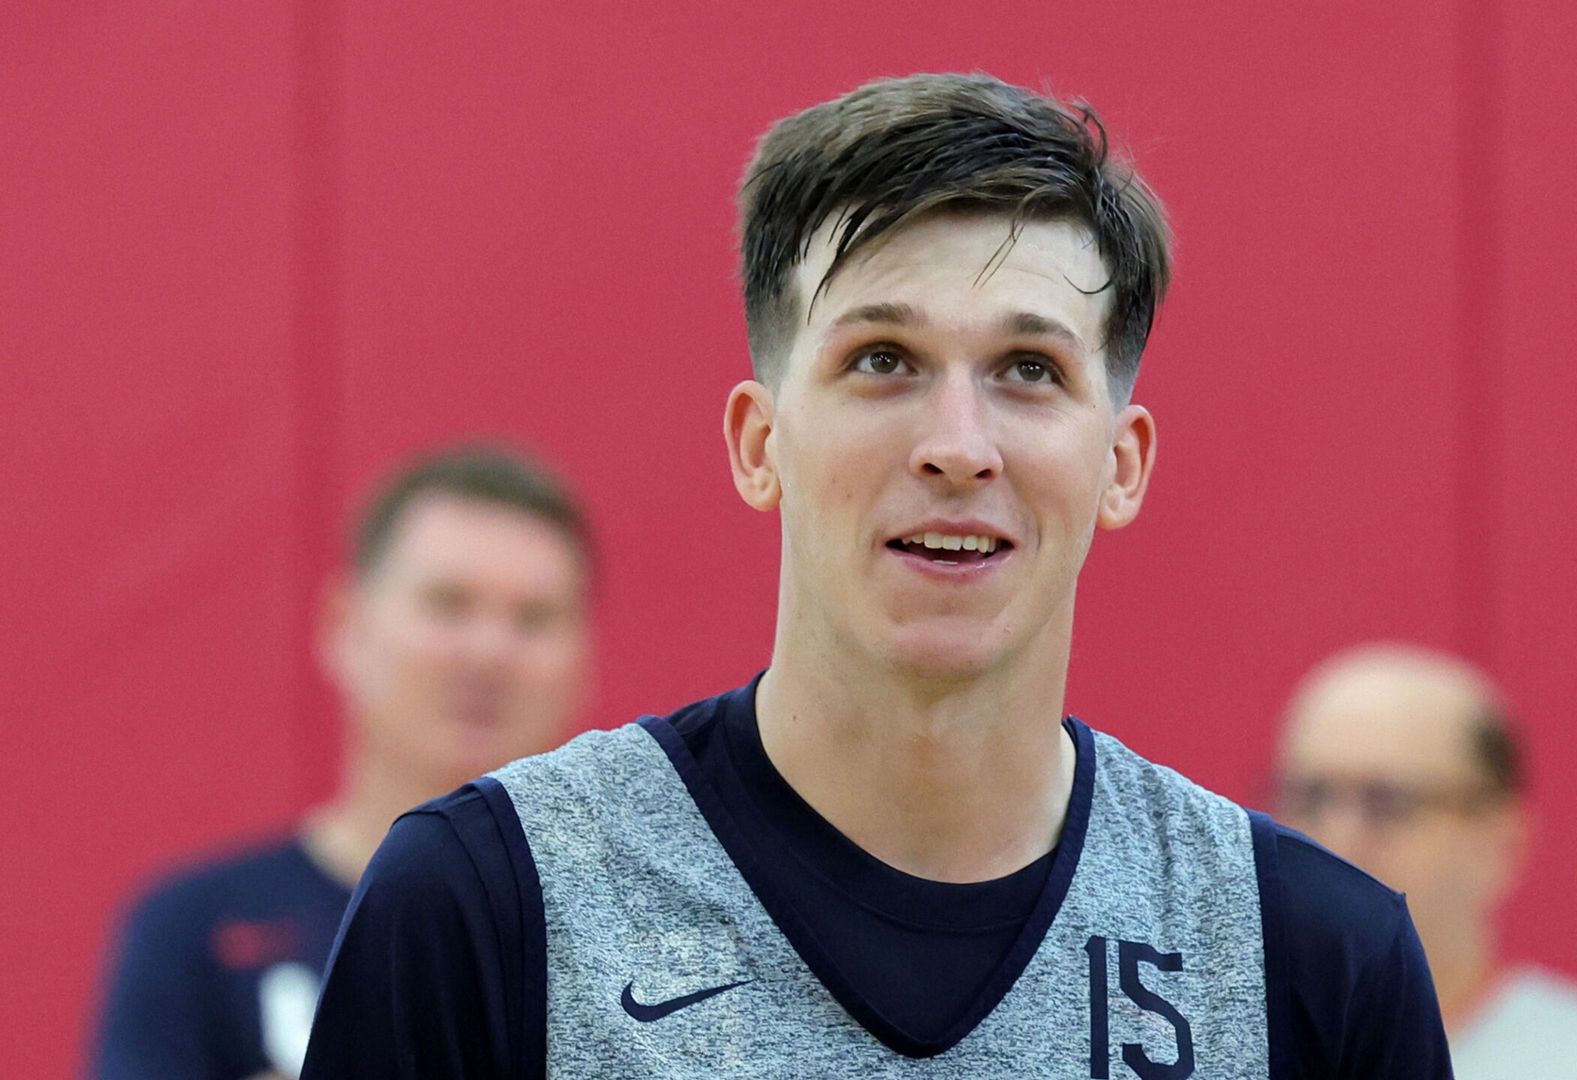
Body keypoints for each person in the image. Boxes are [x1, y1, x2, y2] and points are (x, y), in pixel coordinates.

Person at [302, 73, 1451, 1079]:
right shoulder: (487, 903)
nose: (957, 445)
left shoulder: (1312, 957)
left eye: (1029, 369)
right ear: (760, 444)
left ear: (1122, 463)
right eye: (883, 359)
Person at [89, 445, 595, 1080]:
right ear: (345, 625)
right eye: (448, 605)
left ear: (583, 655)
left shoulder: (648, 932)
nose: (490, 652)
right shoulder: (194, 930)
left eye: (534, 619)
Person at [1275, 643, 1577, 1080]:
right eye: (1310, 797)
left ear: (1499, 842)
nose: (1336, 838)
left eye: (1389, 802)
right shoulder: (1239, 1053)